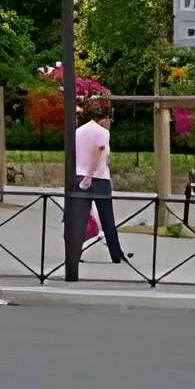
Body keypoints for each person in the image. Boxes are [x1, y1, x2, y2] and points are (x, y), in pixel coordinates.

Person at [73, 97, 126, 264]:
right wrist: (90, 176)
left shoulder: (78, 131)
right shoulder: (103, 132)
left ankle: (75, 252)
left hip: (79, 175)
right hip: (99, 178)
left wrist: (83, 176)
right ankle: (116, 255)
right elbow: (99, 153)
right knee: (107, 219)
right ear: (104, 117)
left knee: (81, 219)